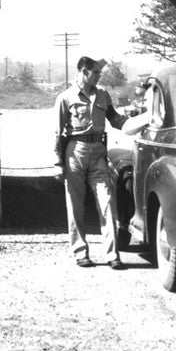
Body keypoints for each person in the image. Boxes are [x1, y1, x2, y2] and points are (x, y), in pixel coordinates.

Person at [54, 56, 131, 269]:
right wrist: (57, 162)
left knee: (107, 201)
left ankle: (112, 255)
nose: (99, 76)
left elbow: (115, 119)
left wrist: (138, 121)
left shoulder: (103, 95)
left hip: (98, 151)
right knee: (75, 203)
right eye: (96, 72)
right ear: (84, 71)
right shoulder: (65, 98)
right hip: (74, 152)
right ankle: (80, 252)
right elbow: (57, 132)